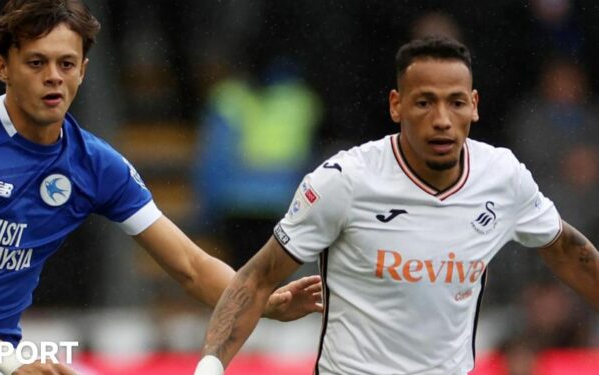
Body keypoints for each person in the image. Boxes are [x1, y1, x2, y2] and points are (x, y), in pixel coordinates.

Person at [0, 1, 323, 374]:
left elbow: (191, 267)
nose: (53, 76)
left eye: (66, 63)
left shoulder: (95, 164)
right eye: (36, 62)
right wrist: (11, 362)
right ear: (2, 67)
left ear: (83, 70)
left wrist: (266, 303)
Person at [193, 37, 599, 375]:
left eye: (456, 103)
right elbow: (258, 277)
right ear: (396, 105)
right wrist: (210, 367)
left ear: (474, 105)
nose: (442, 119)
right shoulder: (344, 181)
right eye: (424, 102)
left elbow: (566, 250)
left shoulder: (502, 177)